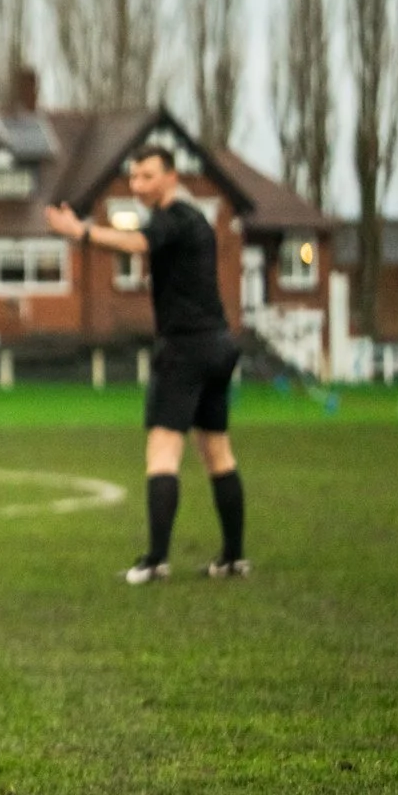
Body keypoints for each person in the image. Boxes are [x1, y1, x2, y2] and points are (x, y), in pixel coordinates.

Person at [45, 142, 249, 582]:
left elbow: (136, 243)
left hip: (187, 348)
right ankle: (233, 557)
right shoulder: (196, 220)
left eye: (148, 176)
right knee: (217, 451)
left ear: (172, 177)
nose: (138, 185)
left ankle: (155, 561)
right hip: (219, 343)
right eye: (134, 177)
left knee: (162, 450)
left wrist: (79, 231)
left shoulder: (173, 218)